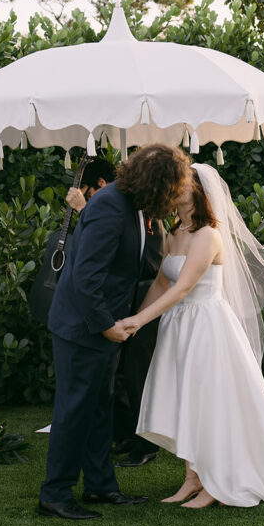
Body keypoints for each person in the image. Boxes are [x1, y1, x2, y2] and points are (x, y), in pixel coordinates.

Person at [119, 164, 264, 511]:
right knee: (186, 399)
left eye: (181, 184)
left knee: (208, 403)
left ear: (199, 191)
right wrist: (134, 320)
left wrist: (138, 321)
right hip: (178, 326)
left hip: (206, 327)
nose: (174, 189)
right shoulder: (175, 232)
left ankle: (214, 484)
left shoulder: (208, 236)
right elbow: (161, 283)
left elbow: (184, 288)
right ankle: (192, 477)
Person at [39, 144, 191, 520]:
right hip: (83, 328)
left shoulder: (130, 204)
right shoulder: (110, 205)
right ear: (157, 184)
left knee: (99, 410)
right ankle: (55, 493)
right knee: (74, 411)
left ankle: (100, 486)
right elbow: (85, 278)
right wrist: (107, 326)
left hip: (105, 327)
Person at [61, 158, 164, 468]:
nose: (89, 199)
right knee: (119, 378)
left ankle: (145, 442)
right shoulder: (121, 206)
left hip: (144, 301)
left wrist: (85, 210)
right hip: (123, 307)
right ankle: (127, 434)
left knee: (137, 375)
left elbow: (145, 261)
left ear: (102, 185)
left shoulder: (143, 213)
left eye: (90, 192)